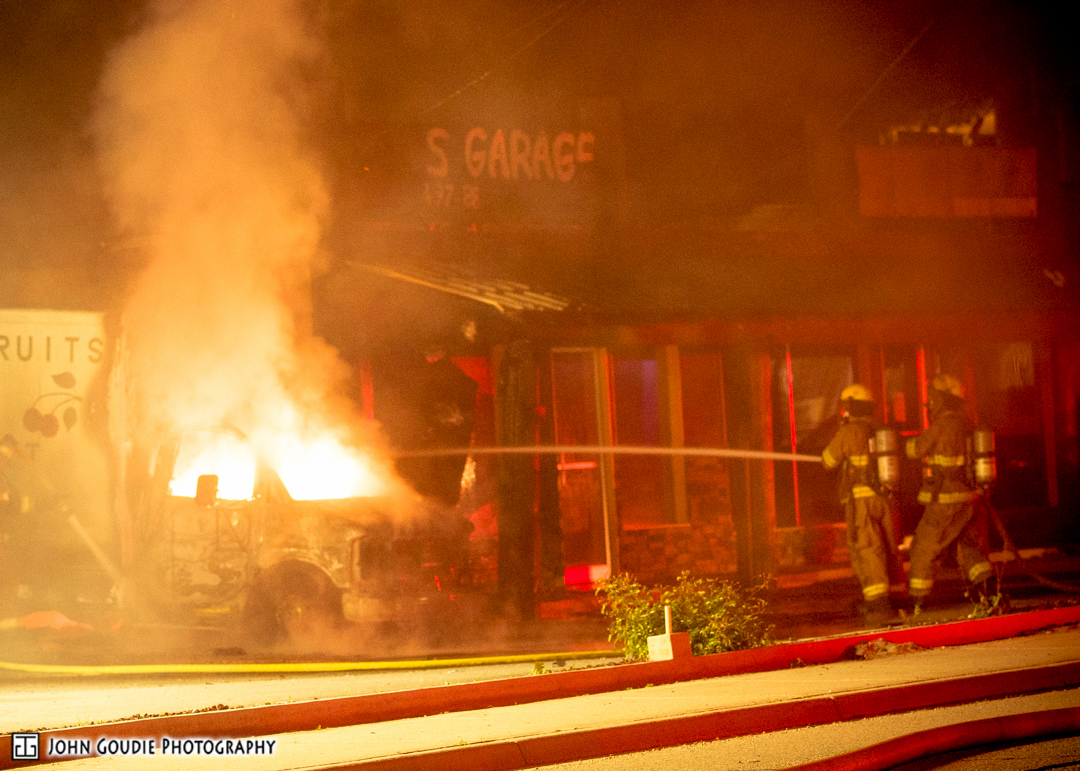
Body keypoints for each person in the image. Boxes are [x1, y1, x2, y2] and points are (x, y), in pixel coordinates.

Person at [905, 374, 992, 613]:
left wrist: (900, 444)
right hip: (968, 498)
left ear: (942, 400)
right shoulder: (966, 422)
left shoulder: (943, 424)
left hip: (946, 499)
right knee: (968, 547)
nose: (929, 403)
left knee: (924, 546)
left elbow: (917, 449)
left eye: (933, 398)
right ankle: (988, 590)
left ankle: (918, 601)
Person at [821, 384, 898, 625]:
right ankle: (891, 593)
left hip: (861, 502)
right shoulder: (879, 429)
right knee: (886, 545)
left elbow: (828, 461)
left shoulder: (849, 431)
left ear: (851, 407)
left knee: (866, 548)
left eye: (845, 407)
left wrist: (839, 431)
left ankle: (878, 602)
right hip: (884, 499)